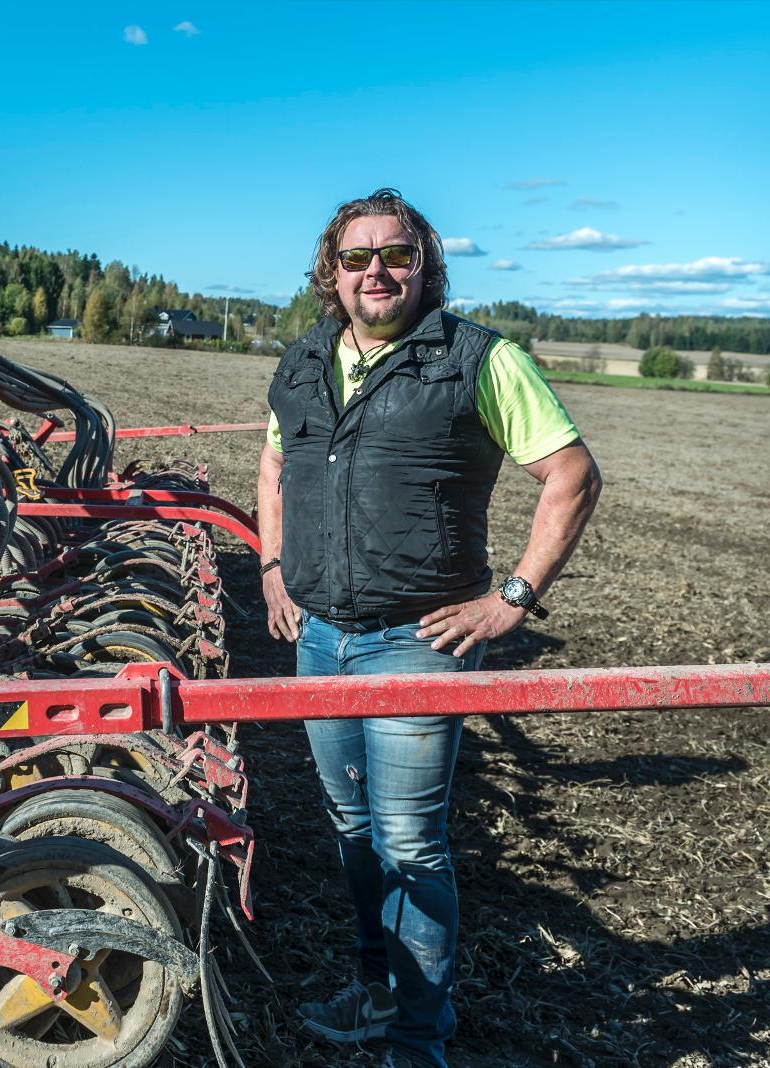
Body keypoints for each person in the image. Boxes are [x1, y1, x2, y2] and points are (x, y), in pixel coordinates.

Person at [256, 189, 602, 1068]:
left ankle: (420, 1038)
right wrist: (269, 566)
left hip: (418, 638)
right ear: (330, 273)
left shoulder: (478, 359)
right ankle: (376, 988)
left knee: (410, 839)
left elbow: (571, 474)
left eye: (396, 254)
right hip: (320, 635)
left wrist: (511, 599)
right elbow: (272, 460)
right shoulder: (302, 362)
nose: (377, 271)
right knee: (350, 825)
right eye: (357, 257)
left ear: (425, 264)